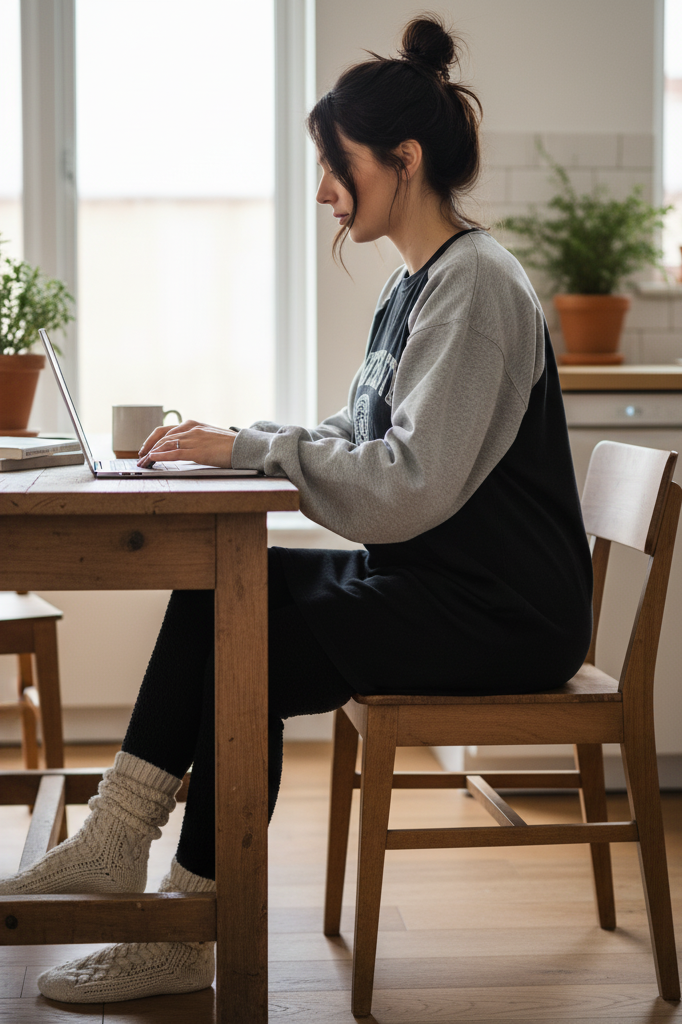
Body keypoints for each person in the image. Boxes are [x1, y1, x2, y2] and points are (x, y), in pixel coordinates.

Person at [0, 15, 592, 1005]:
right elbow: (363, 433)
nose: (324, 188)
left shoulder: (476, 287)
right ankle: (115, 840)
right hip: (439, 584)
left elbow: (401, 486)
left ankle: (186, 925)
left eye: (336, 164)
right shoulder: (420, 284)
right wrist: (238, 440)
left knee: (250, 633)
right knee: (223, 591)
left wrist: (248, 448)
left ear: (401, 161)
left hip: (502, 615)